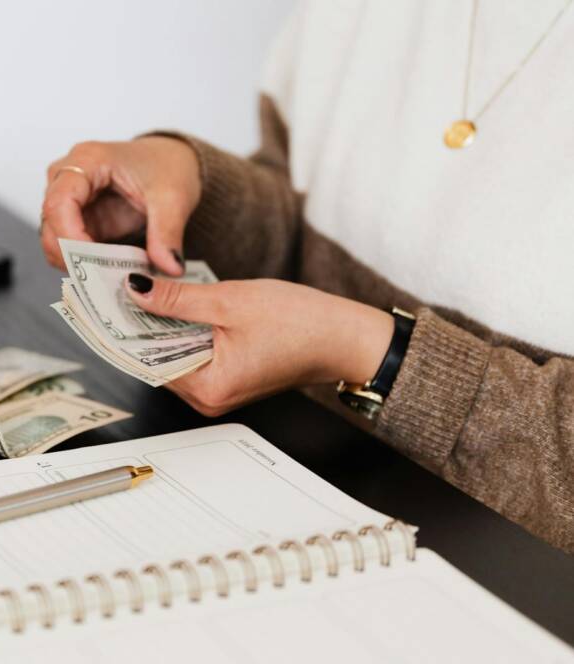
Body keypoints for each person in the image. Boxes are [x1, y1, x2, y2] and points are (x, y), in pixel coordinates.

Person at [38, 1, 574, 554]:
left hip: (511, 587)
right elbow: (308, 213)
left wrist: (377, 356)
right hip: (299, 501)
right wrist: (193, 186)